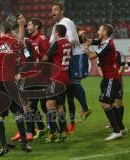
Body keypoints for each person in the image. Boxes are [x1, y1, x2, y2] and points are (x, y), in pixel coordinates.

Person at [0, 18, 32, 156]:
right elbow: (27, 54)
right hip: (10, 82)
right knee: (18, 113)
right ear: (10, 31)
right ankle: (25, 143)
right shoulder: (15, 43)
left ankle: (3, 146)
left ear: (0, 31)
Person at [50, 2, 91, 134]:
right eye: (52, 10)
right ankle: (70, 125)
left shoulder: (66, 22)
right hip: (69, 58)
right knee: (69, 95)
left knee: (74, 82)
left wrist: (60, 45)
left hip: (77, 55)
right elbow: (52, 41)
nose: (53, 12)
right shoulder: (57, 25)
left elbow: (73, 39)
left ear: (62, 11)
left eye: (55, 10)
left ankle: (85, 108)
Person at [84, 24, 126, 141]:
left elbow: (92, 56)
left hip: (111, 78)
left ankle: (116, 131)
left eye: (100, 29)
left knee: (104, 102)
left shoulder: (107, 44)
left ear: (105, 33)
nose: (98, 31)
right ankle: (121, 128)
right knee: (111, 103)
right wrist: (85, 38)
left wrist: (86, 48)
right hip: (112, 78)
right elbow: (94, 41)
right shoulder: (104, 41)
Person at [11, 18, 50, 141]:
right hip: (32, 76)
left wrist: (20, 73)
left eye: (15, 32)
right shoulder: (24, 43)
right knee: (31, 106)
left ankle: (28, 132)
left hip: (31, 77)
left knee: (26, 105)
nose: (13, 35)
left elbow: (29, 60)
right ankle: (40, 127)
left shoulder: (25, 43)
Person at [41, 24, 71, 143]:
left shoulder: (57, 44)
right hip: (65, 77)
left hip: (56, 77)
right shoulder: (68, 43)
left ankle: (52, 133)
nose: (52, 32)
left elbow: (44, 58)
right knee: (60, 106)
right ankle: (63, 131)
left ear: (57, 32)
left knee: (49, 104)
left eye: (53, 30)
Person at [97, 51, 126, 130]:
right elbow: (98, 66)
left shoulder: (119, 53)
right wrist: (103, 75)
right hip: (108, 81)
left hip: (118, 81)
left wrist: (116, 76)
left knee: (118, 102)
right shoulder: (100, 54)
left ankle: (119, 125)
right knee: (109, 103)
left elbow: (122, 66)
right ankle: (116, 124)